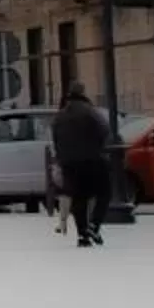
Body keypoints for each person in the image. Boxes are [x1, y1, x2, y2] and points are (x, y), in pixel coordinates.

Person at [52, 84, 111, 247]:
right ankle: (94, 224)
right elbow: (105, 130)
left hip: (69, 162)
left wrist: (62, 157)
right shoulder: (90, 111)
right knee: (104, 193)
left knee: (79, 197)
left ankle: (82, 235)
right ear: (83, 93)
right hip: (92, 159)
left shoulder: (60, 115)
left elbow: (55, 138)